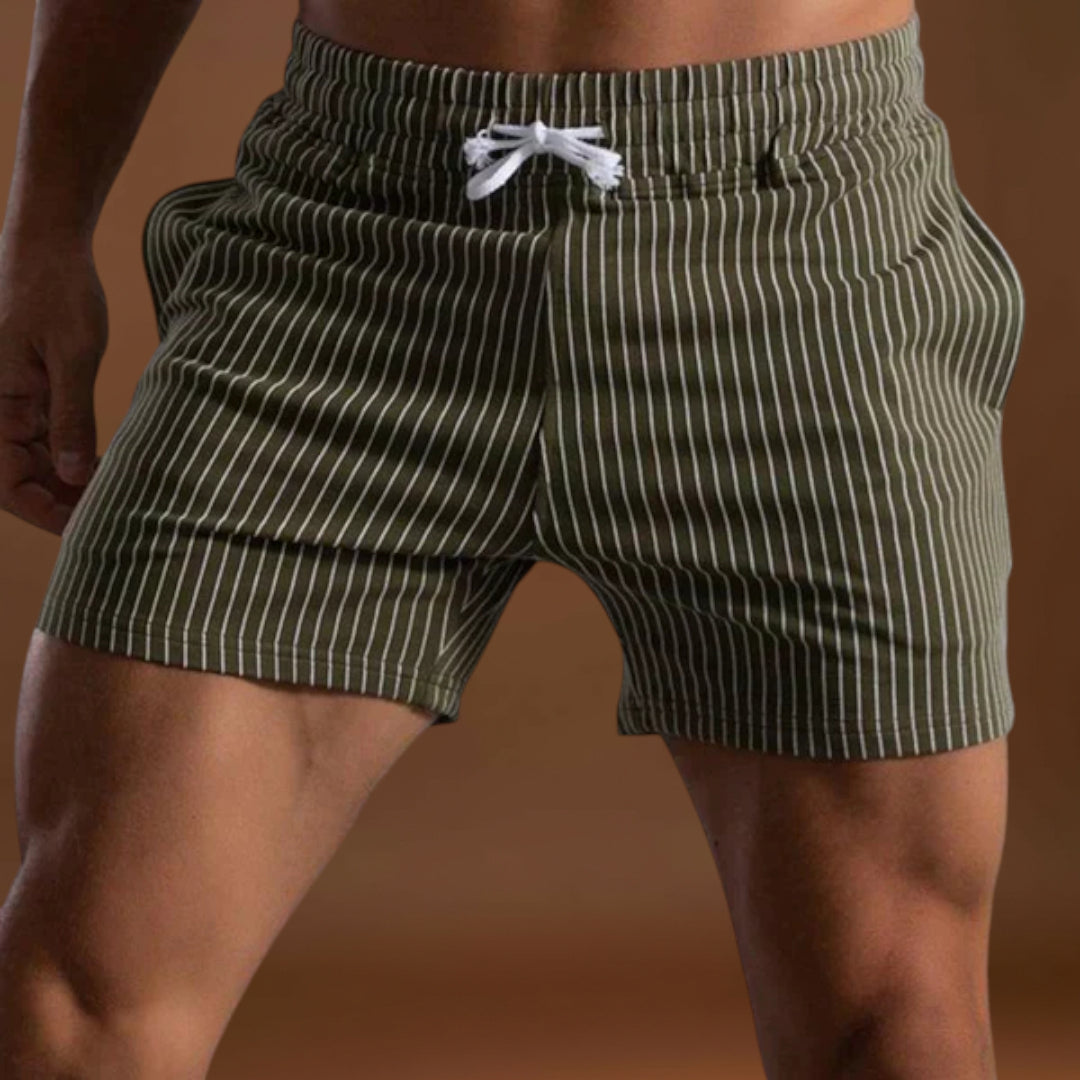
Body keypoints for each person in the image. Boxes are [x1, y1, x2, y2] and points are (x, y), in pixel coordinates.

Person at [0, 0, 1024, 1074]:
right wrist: (45, 231)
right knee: (79, 1003)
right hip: (352, 238)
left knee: (894, 1024)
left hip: (797, 248)